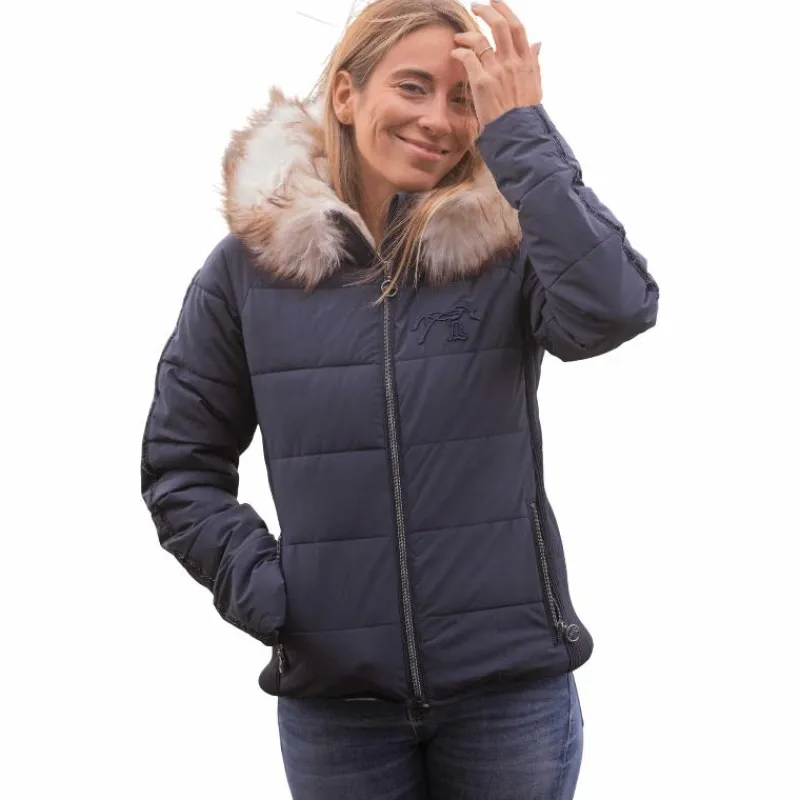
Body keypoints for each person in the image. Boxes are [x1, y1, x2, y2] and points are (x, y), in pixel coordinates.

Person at [140, 0, 658, 796]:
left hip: (510, 694)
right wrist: (276, 597)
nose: (438, 120)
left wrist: (521, 132)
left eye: (464, 99)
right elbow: (181, 466)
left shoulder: (507, 246)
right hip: (337, 709)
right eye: (413, 87)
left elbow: (615, 307)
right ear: (347, 96)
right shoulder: (246, 272)